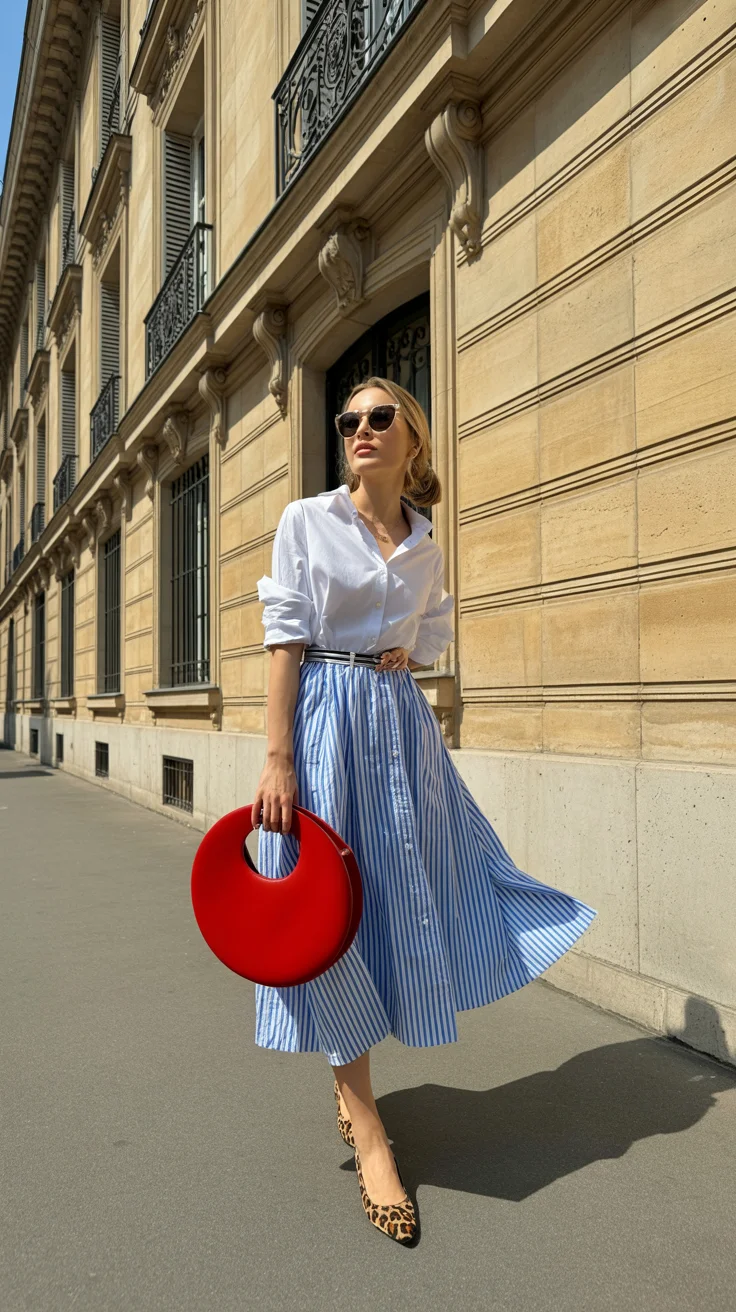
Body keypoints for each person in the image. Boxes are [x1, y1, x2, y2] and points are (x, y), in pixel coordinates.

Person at [251, 376, 596, 1245]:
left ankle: (351, 1082)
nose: (360, 430)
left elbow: (437, 625)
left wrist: (412, 653)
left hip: (399, 730)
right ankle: (368, 1128)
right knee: (329, 912)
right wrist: (278, 756)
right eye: (349, 420)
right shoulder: (307, 521)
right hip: (325, 724)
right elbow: (284, 637)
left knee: (415, 895)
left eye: (380, 418)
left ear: (414, 441)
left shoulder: (425, 539)